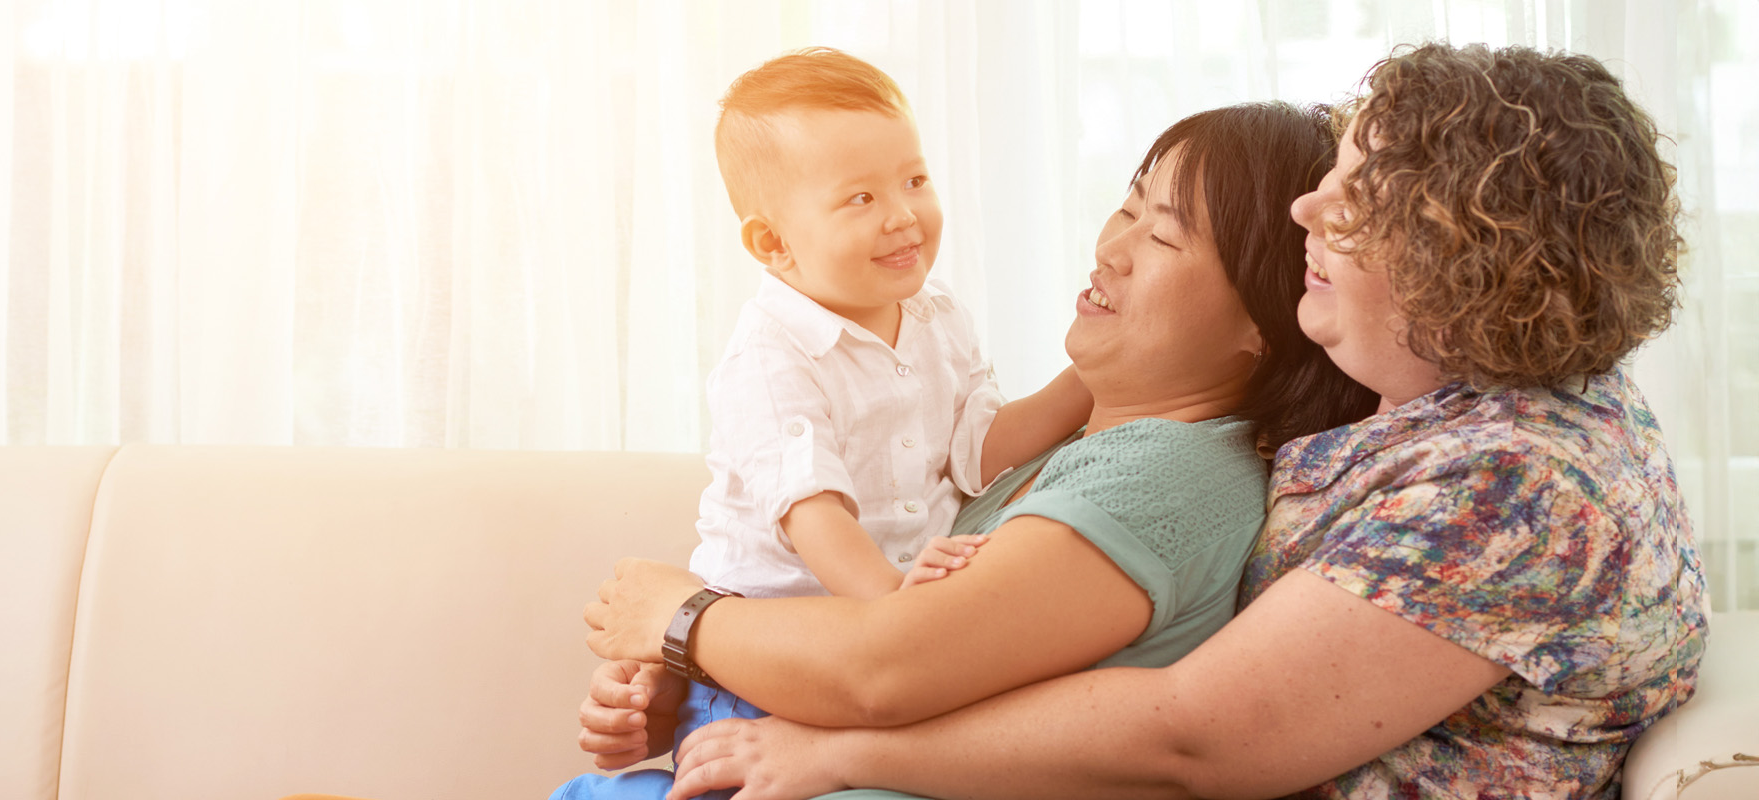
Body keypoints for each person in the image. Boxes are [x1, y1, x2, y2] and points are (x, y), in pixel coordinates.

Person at [580, 43, 1708, 800]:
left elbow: (1189, 726)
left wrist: (686, 623)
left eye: (1353, 201)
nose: (1309, 204)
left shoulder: (1511, 483)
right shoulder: (1465, 412)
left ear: (1450, 263)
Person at [572, 97, 1377, 786]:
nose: (1110, 247)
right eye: (1127, 207)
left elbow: (883, 669)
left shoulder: (1173, 474)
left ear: (1268, 323)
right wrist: (690, 686)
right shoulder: (1058, 452)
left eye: (1162, 237)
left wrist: (680, 617)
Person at [549, 48, 1105, 800]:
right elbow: (814, 514)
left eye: (914, 179)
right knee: (743, 782)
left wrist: (1091, 380)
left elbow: (979, 451)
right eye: (859, 199)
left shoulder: (939, 316)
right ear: (773, 244)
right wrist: (898, 608)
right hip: (770, 661)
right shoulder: (771, 356)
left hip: (885, 647)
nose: (903, 214)